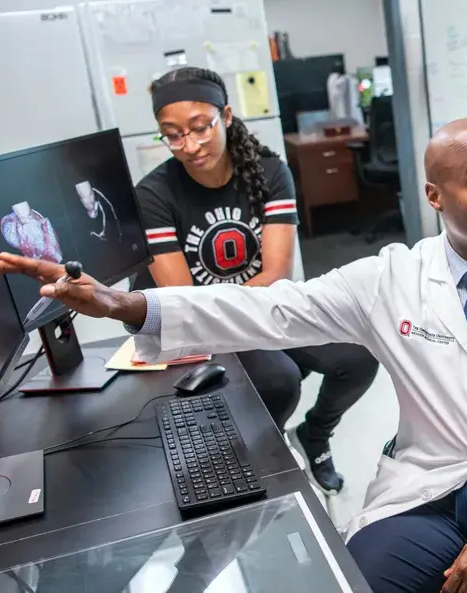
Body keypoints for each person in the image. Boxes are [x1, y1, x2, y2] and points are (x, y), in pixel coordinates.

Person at [0, 117, 467, 592]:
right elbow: (271, 309)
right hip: (432, 487)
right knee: (359, 582)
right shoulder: (390, 278)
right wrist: (129, 306)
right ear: (436, 198)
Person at [132, 66, 379, 494]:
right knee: (278, 379)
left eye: (200, 127)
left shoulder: (268, 172)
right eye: (172, 135)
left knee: (359, 355)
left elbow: (276, 273)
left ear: (225, 116)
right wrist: (240, 316)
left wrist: (252, 312)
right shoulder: (154, 194)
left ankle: (315, 434)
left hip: (265, 302)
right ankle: (264, 466)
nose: (189, 146)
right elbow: (184, 300)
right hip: (205, 326)